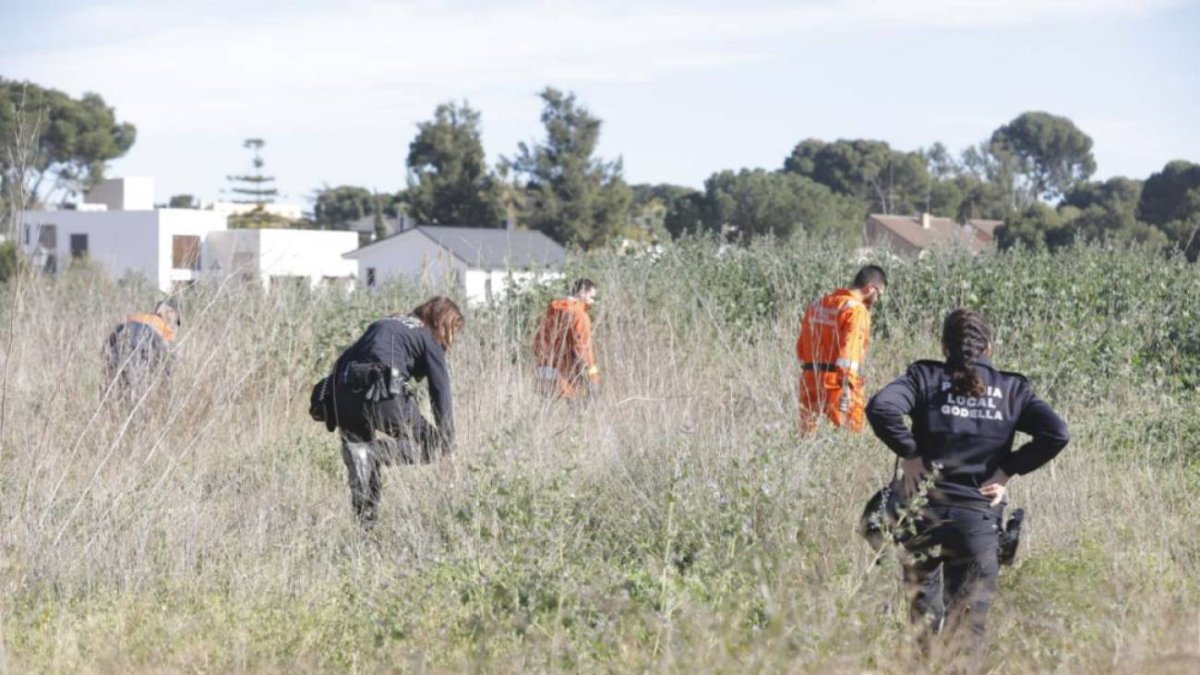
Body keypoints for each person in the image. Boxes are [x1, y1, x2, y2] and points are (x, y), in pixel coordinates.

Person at [865, 308, 1070, 669]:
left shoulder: (924, 377)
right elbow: (1057, 433)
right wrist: (1008, 470)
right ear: (990, 346)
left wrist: (910, 454)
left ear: (944, 346)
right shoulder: (1012, 390)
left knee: (923, 631)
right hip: (978, 525)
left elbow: (881, 407)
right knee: (965, 640)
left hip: (923, 521)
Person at [327, 296, 464, 527]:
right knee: (432, 445)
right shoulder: (427, 335)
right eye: (452, 330)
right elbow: (440, 391)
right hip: (384, 394)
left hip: (343, 395)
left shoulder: (387, 322)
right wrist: (448, 447)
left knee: (361, 464)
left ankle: (365, 529)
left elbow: (343, 360)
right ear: (442, 323)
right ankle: (374, 453)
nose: (450, 338)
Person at [796, 265, 887, 433]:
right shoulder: (856, 310)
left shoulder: (816, 305)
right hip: (838, 384)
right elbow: (849, 354)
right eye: (879, 295)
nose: (878, 300)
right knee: (848, 436)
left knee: (807, 439)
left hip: (809, 380)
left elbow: (801, 349)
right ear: (870, 289)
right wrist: (848, 386)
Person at [532, 278, 600, 399]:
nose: (592, 302)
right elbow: (582, 348)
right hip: (565, 377)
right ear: (582, 292)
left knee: (545, 415)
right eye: (591, 297)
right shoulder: (579, 315)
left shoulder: (551, 312)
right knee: (575, 414)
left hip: (543, 371)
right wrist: (593, 378)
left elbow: (537, 342)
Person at [105, 298, 180, 397]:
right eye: (175, 319)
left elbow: (111, 338)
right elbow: (167, 363)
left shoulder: (134, 318)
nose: (173, 323)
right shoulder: (165, 329)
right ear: (169, 312)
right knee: (135, 398)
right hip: (137, 362)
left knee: (115, 394)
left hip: (117, 355)